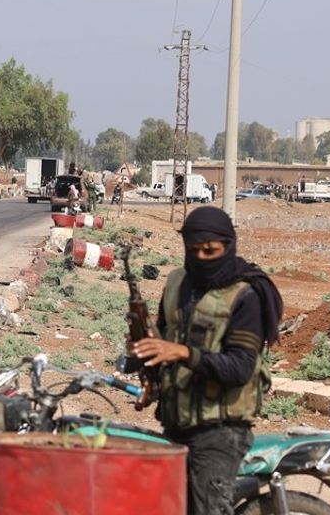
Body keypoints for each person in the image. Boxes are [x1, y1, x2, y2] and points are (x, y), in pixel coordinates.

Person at [130, 206, 283, 515]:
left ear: (228, 245)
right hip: (177, 422)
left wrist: (184, 353)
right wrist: (146, 363)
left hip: (220, 432)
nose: (201, 257)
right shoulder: (176, 283)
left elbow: (240, 367)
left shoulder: (246, 295)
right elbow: (162, 339)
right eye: (193, 250)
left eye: (210, 250)